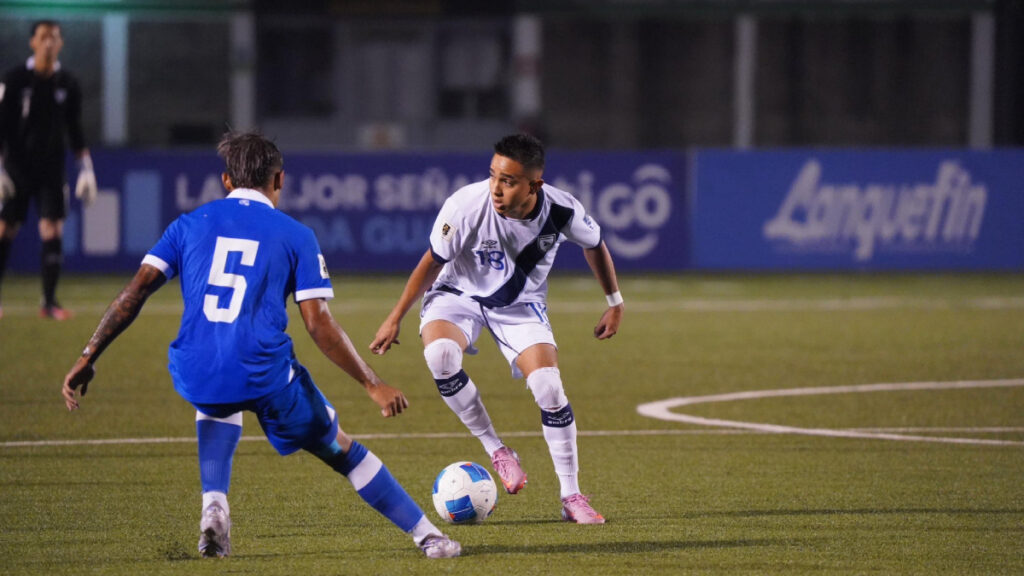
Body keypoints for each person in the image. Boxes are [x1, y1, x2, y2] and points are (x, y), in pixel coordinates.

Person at [61, 131, 460, 559]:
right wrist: (371, 383)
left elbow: (133, 294)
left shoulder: (187, 224)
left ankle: (214, 507)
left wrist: (88, 355)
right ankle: (429, 537)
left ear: (227, 181)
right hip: (264, 373)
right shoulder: (295, 235)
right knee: (341, 449)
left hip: (195, 370)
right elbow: (318, 324)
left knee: (217, 397)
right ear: (280, 180)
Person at [370, 133, 624, 524]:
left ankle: (571, 497)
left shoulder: (562, 210)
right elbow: (432, 262)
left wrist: (614, 302)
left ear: (533, 185)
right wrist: (395, 316)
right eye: (493, 175)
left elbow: (596, 244)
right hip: (458, 294)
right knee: (440, 355)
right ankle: (498, 451)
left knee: (549, 388)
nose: (496, 188)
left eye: (508, 180)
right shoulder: (465, 205)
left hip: (520, 304)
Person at [0, 19, 98, 320]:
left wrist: (86, 168)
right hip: (16, 167)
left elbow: (75, 128)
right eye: (43, 37)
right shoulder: (15, 79)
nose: (48, 43)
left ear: (61, 44)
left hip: (52, 169)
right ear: (32, 42)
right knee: (6, 228)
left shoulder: (67, 83)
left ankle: (49, 302)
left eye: (54, 38)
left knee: (53, 229)